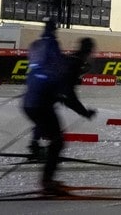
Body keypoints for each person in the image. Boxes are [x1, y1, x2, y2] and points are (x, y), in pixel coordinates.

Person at [21, 21, 98, 195]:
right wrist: (85, 113)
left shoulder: (66, 58)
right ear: (89, 51)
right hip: (40, 103)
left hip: (31, 102)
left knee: (52, 134)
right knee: (58, 141)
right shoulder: (74, 64)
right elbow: (68, 95)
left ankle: (37, 150)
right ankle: (47, 182)